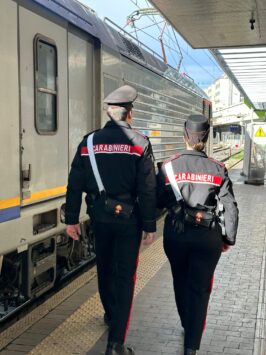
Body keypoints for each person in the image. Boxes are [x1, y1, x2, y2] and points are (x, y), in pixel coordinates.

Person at [65, 85, 156, 355]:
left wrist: (71, 220)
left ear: (108, 112)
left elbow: (74, 183)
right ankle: (115, 343)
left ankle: (109, 313)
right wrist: (150, 226)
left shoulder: (89, 142)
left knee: (104, 267)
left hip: (99, 217)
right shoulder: (140, 143)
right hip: (129, 220)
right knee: (126, 276)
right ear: (130, 114)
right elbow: (147, 189)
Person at [157, 114, 239, 355]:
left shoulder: (168, 166)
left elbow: (159, 201)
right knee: (200, 289)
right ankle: (191, 345)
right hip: (207, 238)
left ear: (185, 136)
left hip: (176, 235)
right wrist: (228, 239)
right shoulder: (218, 168)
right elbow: (231, 206)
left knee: (180, 283)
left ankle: (186, 323)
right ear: (206, 136)